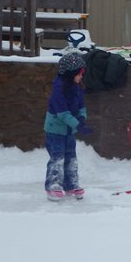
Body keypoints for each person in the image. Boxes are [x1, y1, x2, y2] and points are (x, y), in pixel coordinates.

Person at [43, 53, 93, 201]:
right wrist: (78, 125)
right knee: (57, 157)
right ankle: (53, 185)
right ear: (71, 74)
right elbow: (63, 114)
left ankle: (71, 184)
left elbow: (81, 105)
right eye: (80, 74)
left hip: (69, 130)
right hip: (55, 130)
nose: (81, 77)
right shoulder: (58, 90)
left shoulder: (76, 86)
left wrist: (82, 119)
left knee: (71, 157)